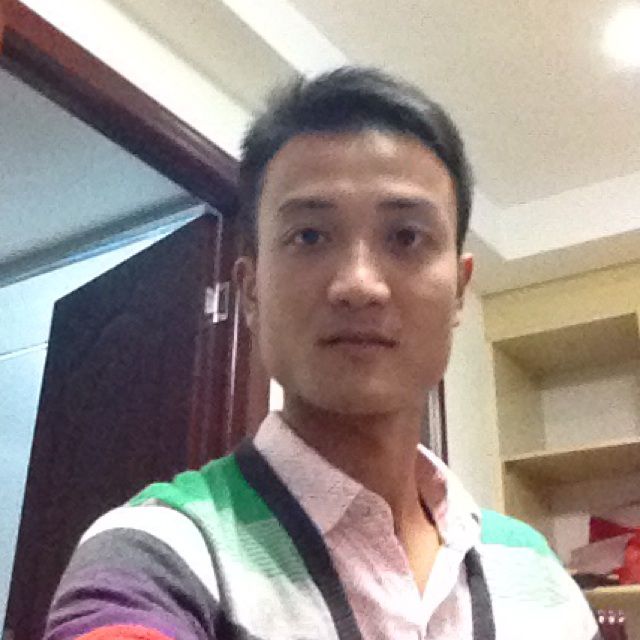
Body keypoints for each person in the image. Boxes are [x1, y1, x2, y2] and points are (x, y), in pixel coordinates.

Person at [45, 67, 599, 640]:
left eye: (406, 237)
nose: (359, 284)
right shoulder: (159, 556)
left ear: (459, 290)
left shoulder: (538, 572)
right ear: (251, 291)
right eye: (309, 236)